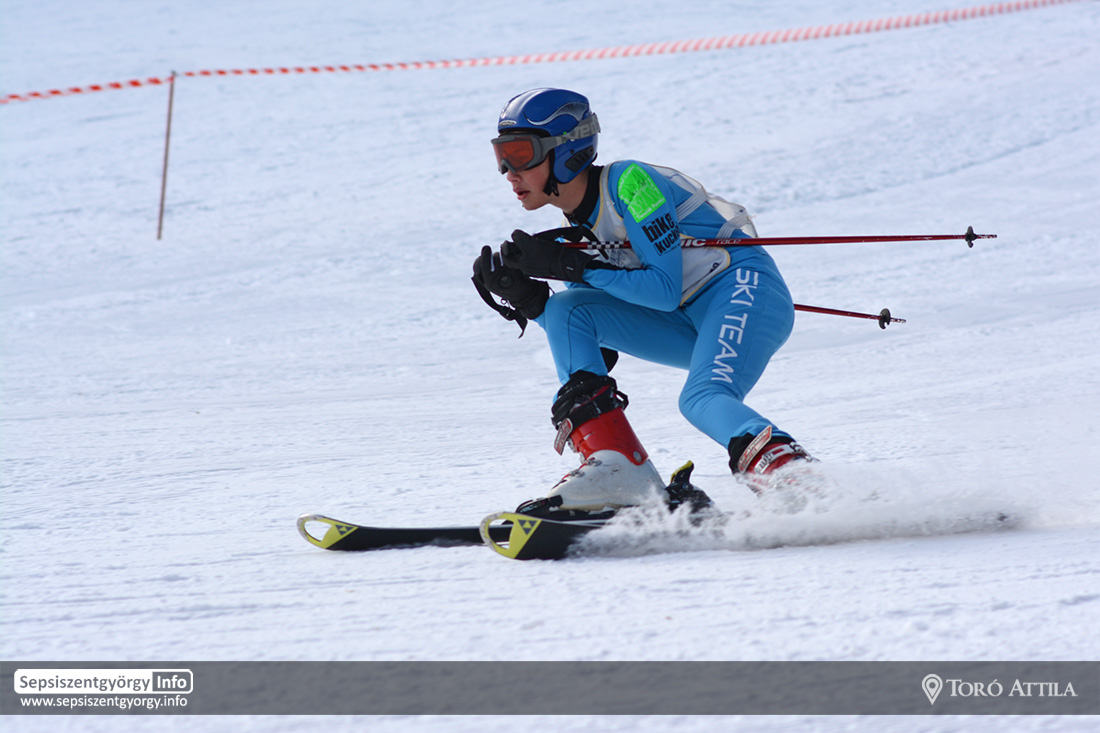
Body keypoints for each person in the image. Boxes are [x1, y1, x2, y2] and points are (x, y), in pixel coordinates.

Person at [472, 88, 811, 517]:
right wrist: (533, 302)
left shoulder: (632, 182)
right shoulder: (577, 224)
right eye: (501, 156)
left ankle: (798, 482)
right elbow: (590, 337)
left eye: (521, 154)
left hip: (744, 291)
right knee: (566, 310)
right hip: (690, 320)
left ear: (566, 151)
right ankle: (619, 468)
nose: (508, 172)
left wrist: (575, 267)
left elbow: (662, 291)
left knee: (702, 397)